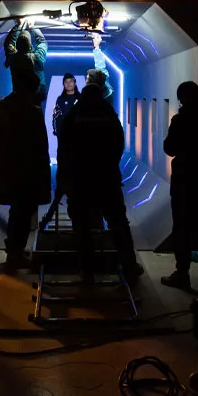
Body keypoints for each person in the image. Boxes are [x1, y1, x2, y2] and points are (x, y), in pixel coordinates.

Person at [57, 73, 143, 284]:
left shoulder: (74, 115)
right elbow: (118, 144)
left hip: (80, 179)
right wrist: (111, 165)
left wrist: (64, 178)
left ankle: (87, 270)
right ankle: (130, 267)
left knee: (82, 226)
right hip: (107, 179)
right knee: (118, 223)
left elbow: (64, 147)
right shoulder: (109, 114)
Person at [0, 69, 51, 269]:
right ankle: (15, 254)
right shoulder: (32, 113)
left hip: (9, 169)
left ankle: (14, 250)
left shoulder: (6, 109)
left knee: (17, 211)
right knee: (23, 212)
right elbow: (41, 147)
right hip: (28, 172)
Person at [161, 81, 198, 291]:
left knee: (182, 227)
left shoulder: (180, 119)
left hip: (184, 179)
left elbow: (170, 148)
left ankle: (182, 274)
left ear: (181, 99)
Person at [4, 18, 48, 105]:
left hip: (19, 96)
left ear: (16, 47)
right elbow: (42, 42)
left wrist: (19, 25)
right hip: (37, 95)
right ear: (31, 47)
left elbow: (8, 43)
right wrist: (32, 26)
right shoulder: (37, 57)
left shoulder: (13, 58)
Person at [86, 32, 113, 102]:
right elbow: (100, 67)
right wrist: (96, 47)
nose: (86, 81)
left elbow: (101, 68)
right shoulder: (106, 88)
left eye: (88, 79)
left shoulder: (96, 96)